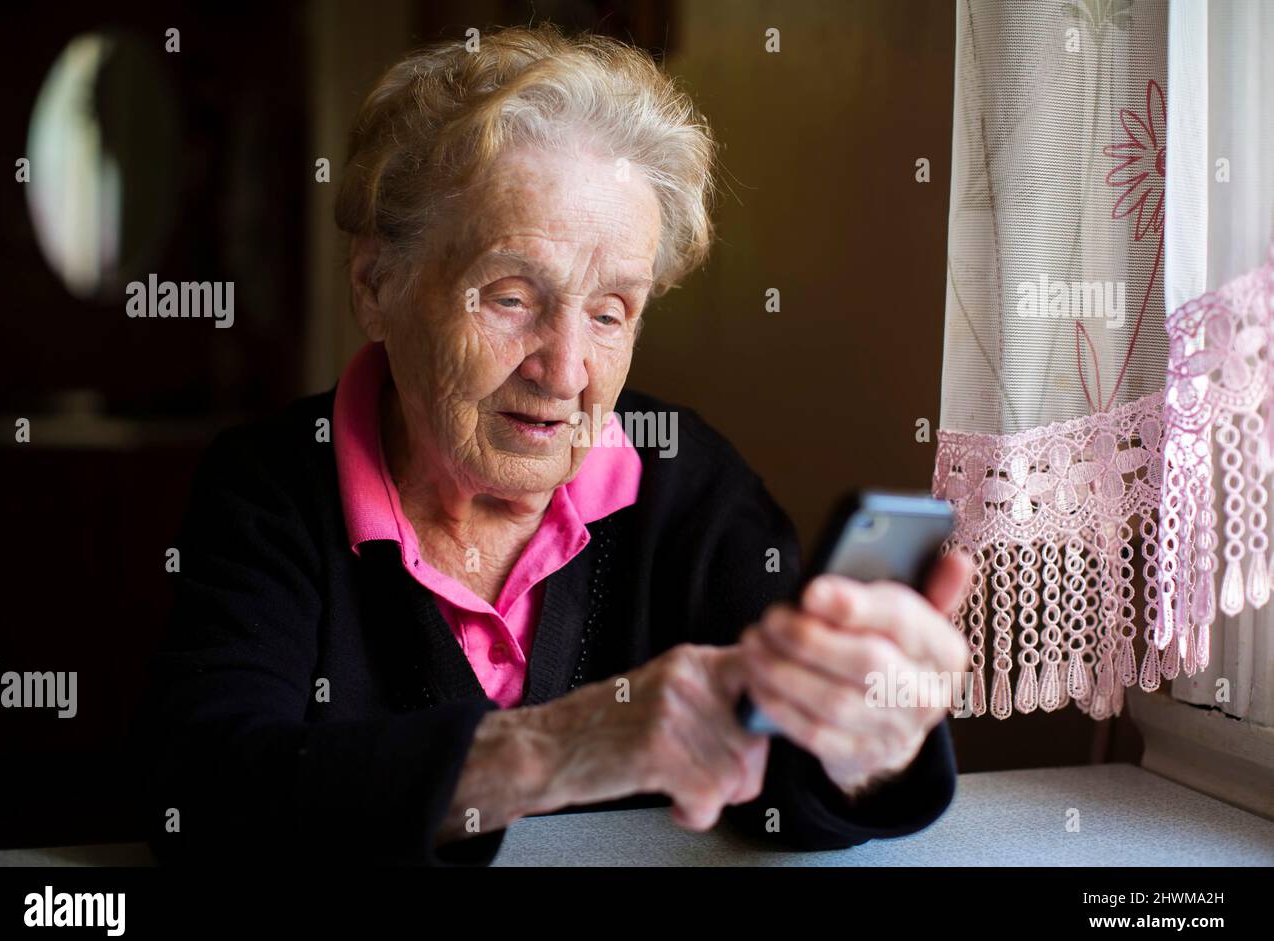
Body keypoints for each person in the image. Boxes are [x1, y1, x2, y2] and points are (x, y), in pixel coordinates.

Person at [132, 22, 971, 865]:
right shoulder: (273, 486)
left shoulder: (684, 478)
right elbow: (201, 794)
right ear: (375, 284)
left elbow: (784, 792)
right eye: (509, 297)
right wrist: (556, 750)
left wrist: (861, 739)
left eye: (611, 312)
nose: (566, 371)